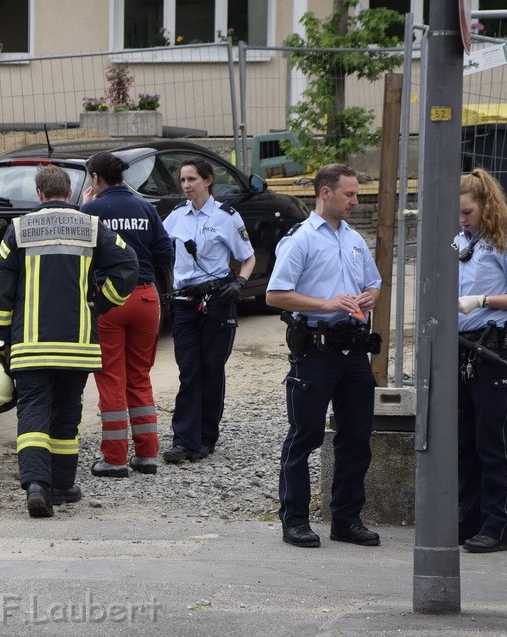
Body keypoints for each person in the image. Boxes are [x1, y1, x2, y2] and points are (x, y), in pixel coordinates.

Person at [0, 165, 138, 517]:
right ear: (68, 192)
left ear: (39, 194)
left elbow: (2, 289)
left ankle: (36, 485)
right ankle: (62, 485)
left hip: (30, 345)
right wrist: (101, 304)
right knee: (67, 413)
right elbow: (129, 264)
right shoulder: (91, 227)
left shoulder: (18, 229)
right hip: (77, 344)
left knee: (34, 412)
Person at [266, 163, 382, 548]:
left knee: (356, 438)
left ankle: (346, 519)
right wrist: (327, 304)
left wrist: (369, 297)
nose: (356, 200)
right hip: (315, 351)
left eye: (356, 193)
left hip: (354, 352)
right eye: (349, 193)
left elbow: (374, 284)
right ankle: (295, 520)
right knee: (306, 436)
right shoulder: (301, 240)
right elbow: (276, 294)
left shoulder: (353, 239)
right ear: (325, 193)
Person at [455, 168, 507, 553]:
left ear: (486, 206)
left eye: (468, 211)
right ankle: (468, 520)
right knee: (465, 442)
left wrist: (484, 301)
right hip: (461, 348)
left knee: (493, 442)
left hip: (492, 351)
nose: (462, 219)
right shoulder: (460, 241)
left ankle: (497, 526)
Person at [80, 152, 174, 477]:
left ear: (94, 178)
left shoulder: (92, 210)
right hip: (147, 297)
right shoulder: (145, 208)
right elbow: (165, 252)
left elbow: (80, 257)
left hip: (109, 299)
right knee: (139, 376)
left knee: (111, 379)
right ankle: (147, 455)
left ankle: (115, 458)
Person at [161, 158, 256, 464]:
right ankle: (184, 439)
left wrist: (240, 283)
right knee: (189, 370)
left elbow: (248, 257)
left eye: (192, 179)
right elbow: (159, 248)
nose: (186, 185)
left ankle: (205, 437)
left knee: (211, 369)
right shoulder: (176, 217)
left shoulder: (227, 217)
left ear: (208, 180)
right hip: (185, 303)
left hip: (217, 300)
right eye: (183, 180)